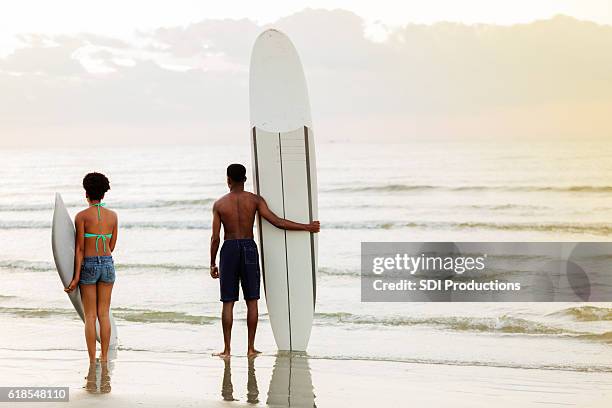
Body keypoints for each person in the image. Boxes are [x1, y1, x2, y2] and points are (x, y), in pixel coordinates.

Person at [210, 163, 320, 358]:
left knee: (228, 302)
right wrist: (307, 227)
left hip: (228, 249)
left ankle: (227, 350)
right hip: (249, 248)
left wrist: (212, 263)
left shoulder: (219, 205)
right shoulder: (254, 200)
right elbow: (277, 222)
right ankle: (250, 349)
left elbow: (215, 238)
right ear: (245, 179)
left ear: (228, 180)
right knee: (252, 300)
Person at [65, 172, 118, 362]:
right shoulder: (113, 216)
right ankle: (104, 357)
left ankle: (91, 359)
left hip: (88, 265)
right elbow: (111, 246)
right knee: (104, 314)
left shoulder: (81, 217)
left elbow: (79, 249)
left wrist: (76, 277)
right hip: (107, 265)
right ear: (104, 194)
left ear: (86, 193)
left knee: (90, 316)